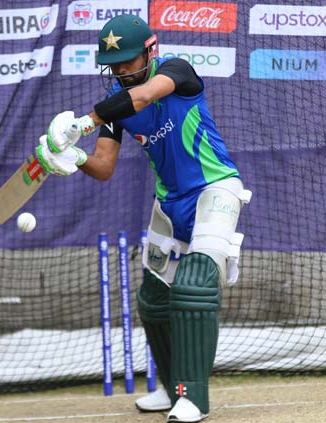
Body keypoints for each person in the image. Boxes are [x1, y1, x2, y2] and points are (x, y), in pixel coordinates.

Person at [35, 15, 251, 423]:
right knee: (153, 300)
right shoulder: (116, 102)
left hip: (215, 190)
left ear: (150, 52)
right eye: (113, 65)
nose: (119, 71)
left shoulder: (176, 71)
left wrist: (82, 123)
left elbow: (144, 97)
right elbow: (103, 166)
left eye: (127, 62)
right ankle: (171, 390)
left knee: (194, 285)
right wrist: (73, 157)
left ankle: (194, 397)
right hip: (169, 203)